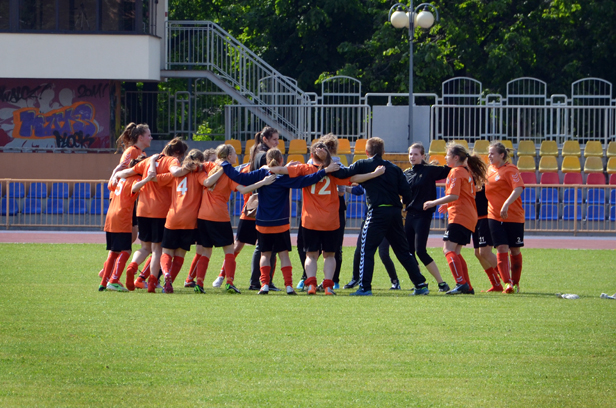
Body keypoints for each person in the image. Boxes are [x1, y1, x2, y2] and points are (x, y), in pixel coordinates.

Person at [220, 148, 340, 295]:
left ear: (266, 161)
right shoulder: (284, 178)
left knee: (265, 254)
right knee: (284, 255)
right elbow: (306, 180)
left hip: (263, 221)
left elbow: (240, 178)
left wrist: (224, 164)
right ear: (281, 161)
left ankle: (264, 284)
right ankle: (289, 286)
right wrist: (324, 171)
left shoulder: (262, 174)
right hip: (281, 222)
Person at [270, 142, 384, 295]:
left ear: (311, 155)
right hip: (331, 220)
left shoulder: (305, 169)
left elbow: (278, 170)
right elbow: (355, 178)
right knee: (329, 255)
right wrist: (373, 174)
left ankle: (311, 284)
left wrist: (271, 167)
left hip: (310, 220)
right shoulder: (335, 171)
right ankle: (328, 286)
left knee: (311, 255)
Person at [330, 137, 429, 296]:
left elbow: (343, 173)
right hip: (395, 212)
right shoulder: (395, 168)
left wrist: (328, 161)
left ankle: (365, 287)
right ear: (383, 152)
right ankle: (420, 284)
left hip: (377, 212)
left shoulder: (363, 164)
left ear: (366, 152)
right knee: (402, 251)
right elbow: (407, 193)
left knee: (366, 249)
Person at [192, 144, 276, 294]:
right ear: (229, 156)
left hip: (203, 215)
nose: (236, 157)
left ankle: (199, 283)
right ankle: (229, 282)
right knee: (229, 250)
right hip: (219, 215)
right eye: (234, 154)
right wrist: (263, 182)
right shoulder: (228, 174)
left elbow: (204, 179)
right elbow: (243, 189)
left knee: (205, 251)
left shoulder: (206, 167)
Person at [111, 137, 188, 291]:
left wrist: (116, 175)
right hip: (160, 211)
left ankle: (132, 267)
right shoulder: (172, 161)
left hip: (142, 210)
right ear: (178, 153)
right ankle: (152, 282)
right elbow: (175, 174)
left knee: (144, 247)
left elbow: (128, 171)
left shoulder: (149, 160)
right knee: (157, 249)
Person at [154, 149, 223, 294]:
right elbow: (207, 182)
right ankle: (170, 282)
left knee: (166, 252)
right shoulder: (198, 173)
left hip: (172, 217)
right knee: (180, 255)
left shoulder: (176, 174)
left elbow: (156, 178)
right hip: (190, 220)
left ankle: (165, 274)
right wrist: (222, 170)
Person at [423, 143, 487, 295]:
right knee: (456, 252)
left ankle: (461, 283)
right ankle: (467, 286)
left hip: (460, 215)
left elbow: (454, 195)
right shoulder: (465, 172)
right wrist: (448, 204)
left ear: (455, 157)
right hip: (469, 216)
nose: (445, 157)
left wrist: (434, 202)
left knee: (448, 249)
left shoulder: (456, 172)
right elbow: (461, 195)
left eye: (447, 155)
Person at [99, 156, 153, 292]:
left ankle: (104, 283)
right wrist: (147, 179)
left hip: (110, 215)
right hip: (122, 216)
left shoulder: (122, 178)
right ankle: (114, 280)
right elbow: (135, 187)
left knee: (113, 251)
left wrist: (116, 171)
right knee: (126, 250)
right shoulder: (136, 178)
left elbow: (110, 184)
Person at [403, 143, 451, 292]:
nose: (412, 157)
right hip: (409, 216)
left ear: (423, 156)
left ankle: (442, 283)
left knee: (420, 251)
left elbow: (450, 170)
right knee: (409, 252)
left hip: (423, 216)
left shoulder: (429, 170)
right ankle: (420, 282)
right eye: (411, 154)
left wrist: (463, 160)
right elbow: (406, 195)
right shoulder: (407, 173)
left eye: (416, 154)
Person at [343, 184, 402, 290]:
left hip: (384, 220)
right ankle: (355, 278)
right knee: (359, 251)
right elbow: (359, 190)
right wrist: (345, 188)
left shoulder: (388, 179)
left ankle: (395, 280)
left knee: (383, 253)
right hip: (368, 220)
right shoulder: (369, 177)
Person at [485, 141, 525, 294]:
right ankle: (507, 283)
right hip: (494, 216)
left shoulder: (510, 170)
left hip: (513, 216)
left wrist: (506, 204)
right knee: (501, 247)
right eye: (489, 153)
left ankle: (516, 283)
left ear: (502, 155)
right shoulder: (488, 170)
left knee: (514, 250)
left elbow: (518, 188)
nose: (489, 156)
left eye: (492, 153)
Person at [109, 123, 153, 243]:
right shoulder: (132, 151)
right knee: (125, 238)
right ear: (141, 137)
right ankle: (117, 260)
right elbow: (121, 166)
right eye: (149, 135)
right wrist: (113, 178)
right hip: (122, 197)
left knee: (132, 235)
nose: (151, 138)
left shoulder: (142, 154)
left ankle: (119, 259)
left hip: (131, 197)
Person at [472, 188, 503, 292]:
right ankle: (496, 284)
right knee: (478, 253)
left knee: (485, 252)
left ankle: (508, 281)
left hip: (485, 217)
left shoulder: (484, 177)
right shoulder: (469, 176)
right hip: (475, 218)